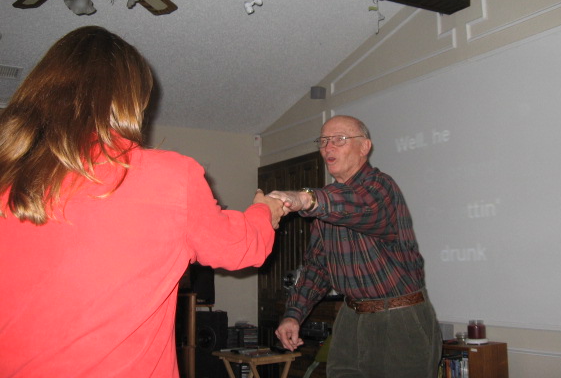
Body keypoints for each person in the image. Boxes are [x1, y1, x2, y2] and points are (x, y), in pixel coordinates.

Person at [0, 26, 285, 378]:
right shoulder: (169, 176)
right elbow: (240, 247)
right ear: (128, 100)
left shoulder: (7, 172)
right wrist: (265, 211)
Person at [269, 115, 441, 378]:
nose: (328, 147)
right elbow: (317, 268)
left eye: (339, 139)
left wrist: (305, 199)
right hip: (350, 317)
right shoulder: (327, 203)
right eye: (324, 141)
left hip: (398, 318)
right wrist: (293, 315)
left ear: (364, 147)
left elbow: (358, 206)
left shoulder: (380, 187)